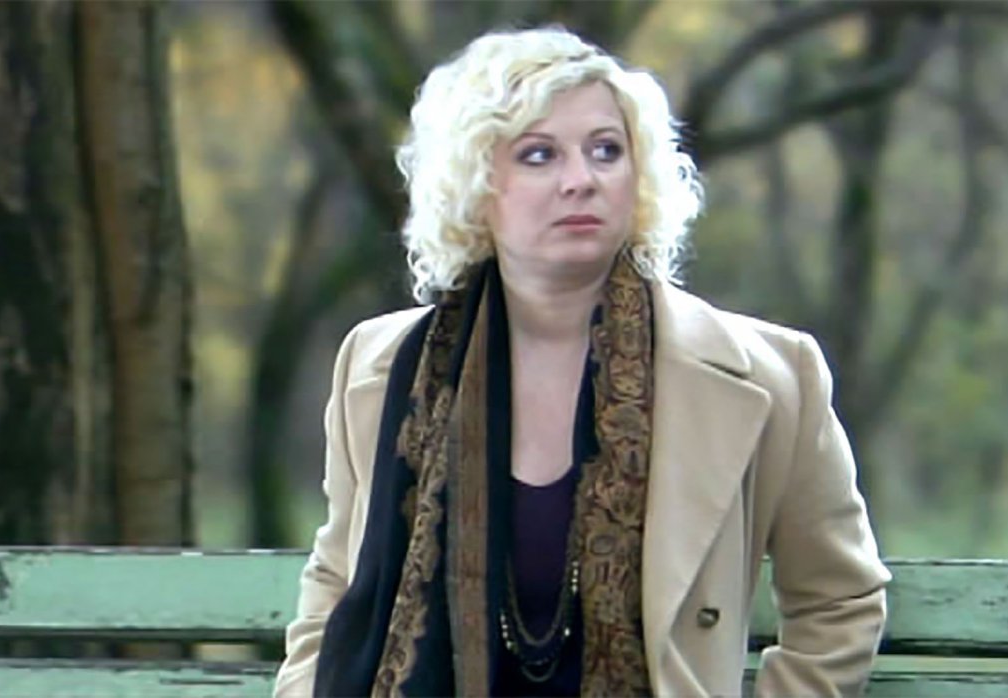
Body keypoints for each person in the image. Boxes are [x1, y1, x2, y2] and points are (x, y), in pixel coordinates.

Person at [273, 26, 889, 698]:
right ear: (475, 186)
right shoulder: (381, 367)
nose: (581, 180)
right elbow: (337, 585)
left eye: (606, 151)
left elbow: (840, 602)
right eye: (539, 155)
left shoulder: (772, 375)